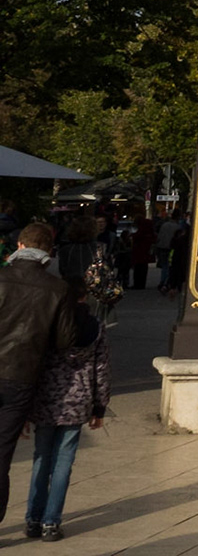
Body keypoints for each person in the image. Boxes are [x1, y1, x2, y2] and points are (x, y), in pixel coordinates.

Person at [0, 222, 78, 528]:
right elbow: (64, 341)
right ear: (47, 252)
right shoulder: (57, 288)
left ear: (20, 246)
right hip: (22, 375)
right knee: (2, 453)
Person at [23, 283, 109, 541]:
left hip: (47, 400)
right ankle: (51, 523)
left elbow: (32, 364)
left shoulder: (48, 325)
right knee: (63, 462)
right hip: (78, 402)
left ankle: (33, 519)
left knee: (41, 458)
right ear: (85, 296)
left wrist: (25, 405)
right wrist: (100, 407)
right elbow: (101, 371)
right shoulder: (95, 328)